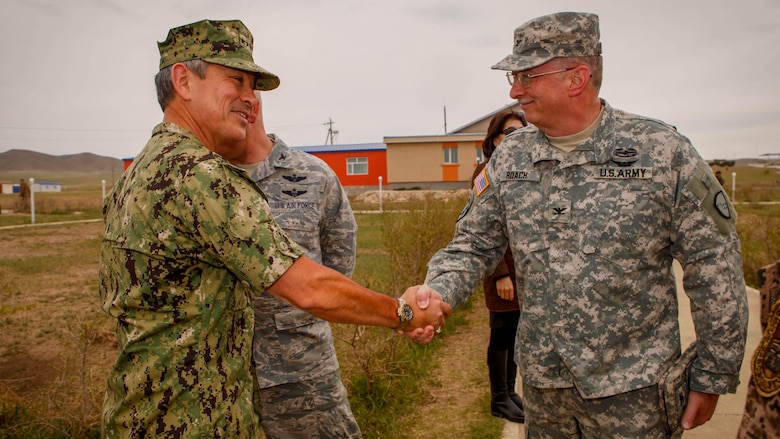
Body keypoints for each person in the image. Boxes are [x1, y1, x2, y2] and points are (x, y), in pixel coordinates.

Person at [99, 19, 450, 438]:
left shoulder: (141, 170)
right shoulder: (198, 176)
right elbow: (312, 288)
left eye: (253, 86)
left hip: (144, 412)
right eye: (235, 80)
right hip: (194, 419)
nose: (250, 98)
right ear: (183, 81)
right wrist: (404, 313)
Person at [419, 12, 748, 438]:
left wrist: (713, 374)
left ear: (576, 78)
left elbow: (714, 265)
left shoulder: (662, 153)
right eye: (513, 78)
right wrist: (436, 292)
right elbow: (472, 246)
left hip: (635, 393)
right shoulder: (511, 157)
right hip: (544, 390)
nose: (515, 90)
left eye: (527, 76)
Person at [230, 93, 362, 438]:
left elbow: (337, 270)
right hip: (220, 381)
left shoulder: (313, 176)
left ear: (251, 105)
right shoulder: (200, 182)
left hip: (303, 375)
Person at [473, 110, 527, 424]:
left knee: (517, 331)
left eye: (522, 132)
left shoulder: (523, 172)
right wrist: (501, 274)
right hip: (502, 272)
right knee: (502, 332)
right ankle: (499, 399)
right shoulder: (485, 173)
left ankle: (510, 391)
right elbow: (485, 231)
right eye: (509, 132)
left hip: (523, 272)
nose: (515, 138)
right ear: (495, 138)